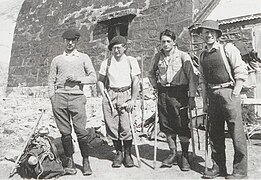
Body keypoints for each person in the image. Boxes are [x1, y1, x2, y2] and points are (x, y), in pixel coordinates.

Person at [197, 20, 248, 179]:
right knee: (215, 134)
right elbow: (203, 81)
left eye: (212, 32)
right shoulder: (202, 55)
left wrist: (235, 94)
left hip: (228, 92)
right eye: (206, 32)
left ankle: (239, 171)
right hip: (212, 95)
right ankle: (218, 167)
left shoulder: (228, 49)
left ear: (217, 34)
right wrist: (205, 102)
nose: (209, 35)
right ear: (202, 35)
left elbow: (241, 71)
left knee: (236, 133)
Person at [48, 29, 97, 176]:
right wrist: (53, 98)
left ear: (76, 42)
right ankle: (69, 160)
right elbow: (51, 79)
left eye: (73, 40)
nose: (70, 43)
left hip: (77, 97)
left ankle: (86, 161)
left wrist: (78, 79)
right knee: (65, 133)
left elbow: (93, 77)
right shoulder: (57, 60)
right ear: (64, 41)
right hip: (60, 98)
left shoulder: (83, 58)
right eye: (67, 40)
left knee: (81, 132)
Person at [148, 29, 198, 171]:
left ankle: (184, 155)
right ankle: (173, 153)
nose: (165, 44)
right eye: (163, 41)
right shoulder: (158, 57)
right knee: (166, 123)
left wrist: (192, 96)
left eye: (168, 41)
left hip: (179, 93)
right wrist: (156, 86)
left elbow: (192, 77)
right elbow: (150, 73)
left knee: (181, 123)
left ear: (174, 42)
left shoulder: (183, 56)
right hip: (164, 93)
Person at [97, 35, 141, 168]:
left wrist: (133, 99)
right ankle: (118, 153)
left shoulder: (131, 61)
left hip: (126, 93)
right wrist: (104, 94)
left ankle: (128, 154)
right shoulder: (107, 63)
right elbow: (100, 80)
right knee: (112, 125)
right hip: (111, 94)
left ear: (124, 47)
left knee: (126, 125)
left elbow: (136, 81)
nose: (116, 51)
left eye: (118, 48)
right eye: (113, 48)